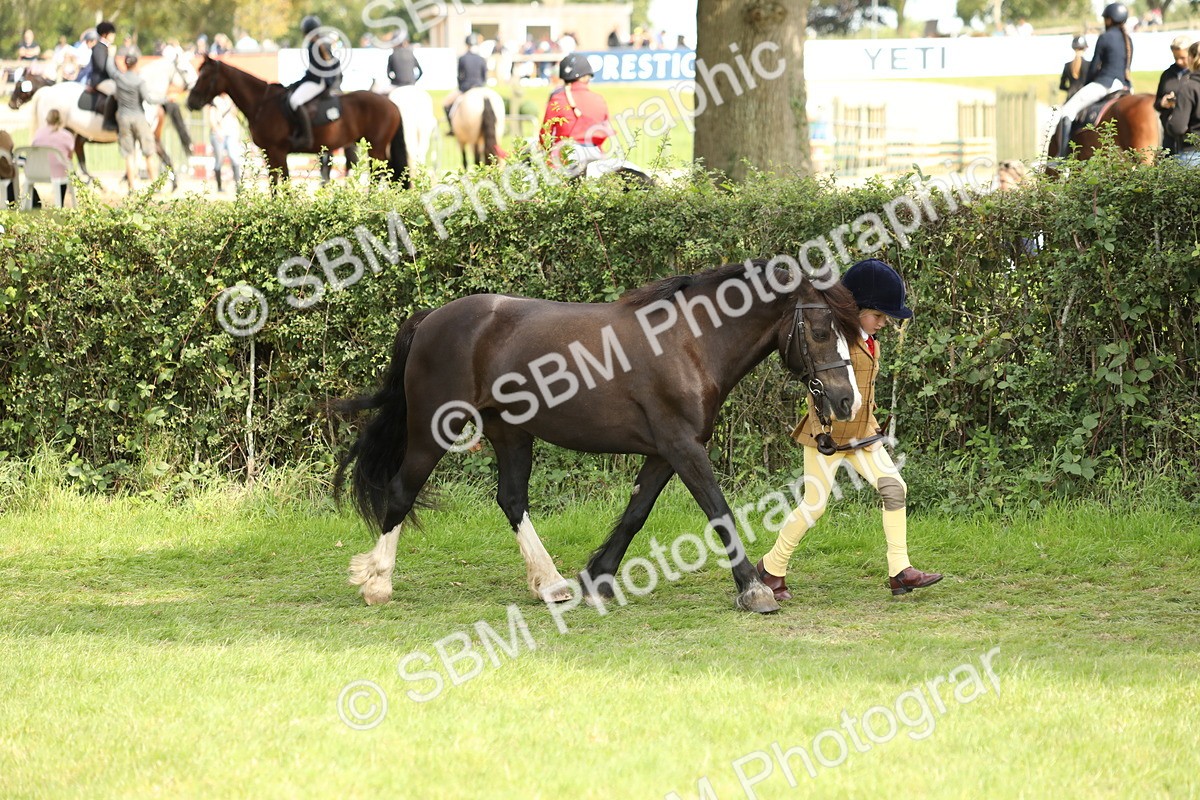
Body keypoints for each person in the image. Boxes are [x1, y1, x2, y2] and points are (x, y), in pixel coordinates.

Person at [757, 259, 943, 601]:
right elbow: (816, 390)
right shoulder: (833, 339)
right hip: (826, 437)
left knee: (894, 488)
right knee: (814, 507)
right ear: (856, 310)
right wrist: (821, 431)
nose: (884, 323)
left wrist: (871, 424)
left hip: (861, 436)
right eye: (879, 315)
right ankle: (771, 568)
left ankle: (900, 571)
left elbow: (864, 392)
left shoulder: (871, 341)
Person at [1051, 3, 1132, 159]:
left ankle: (1061, 158)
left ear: (1109, 19)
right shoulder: (1128, 40)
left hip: (1105, 84)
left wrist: (1087, 83)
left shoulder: (1105, 37)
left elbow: (1094, 67)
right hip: (1124, 86)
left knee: (1067, 111)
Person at [541, 53, 611, 176]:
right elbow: (604, 131)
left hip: (564, 159)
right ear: (586, 77)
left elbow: (545, 135)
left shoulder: (557, 99)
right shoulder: (599, 99)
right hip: (596, 155)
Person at [287, 15, 341, 150]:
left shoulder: (314, 45)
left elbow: (314, 72)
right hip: (320, 80)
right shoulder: (321, 42)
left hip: (318, 82)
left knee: (295, 101)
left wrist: (298, 83)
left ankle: (307, 137)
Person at [113, 54, 164, 191]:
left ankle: (132, 187)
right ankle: (155, 186)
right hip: (138, 117)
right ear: (136, 65)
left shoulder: (119, 80)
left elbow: (116, 96)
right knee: (148, 152)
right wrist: (165, 99)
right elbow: (148, 99)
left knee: (128, 153)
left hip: (123, 117)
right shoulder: (139, 81)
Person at [442, 33, 488, 132]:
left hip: (466, 88)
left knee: (446, 104)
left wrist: (461, 86)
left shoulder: (462, 58)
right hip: (480, 87)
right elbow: (484, 77)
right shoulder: (482, 59)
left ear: (467, 44)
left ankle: (452, 128)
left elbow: (459, 76)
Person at [30, 109, 76, 206]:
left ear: (47, 119)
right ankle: (60, 203)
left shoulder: (38, 133)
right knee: (65, 167)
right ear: (60, 120)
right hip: (59, 174)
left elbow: (33, 151)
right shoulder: (66, 135)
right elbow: (70, 156)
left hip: (38, 171)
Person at [1156, 36, 1192, 153]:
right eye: (1175, 57)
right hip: (1169, 136)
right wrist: (1163, 103)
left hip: (1191, 136)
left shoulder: (1196, 75)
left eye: (1182, 57)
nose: (1178, 61)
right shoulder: (1167, 75)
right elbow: (1156, 103)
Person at [1167, 42, 1200, 165]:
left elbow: (1178, 127)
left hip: (1192, 154)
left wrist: (1170, 120)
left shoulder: (1189, 88)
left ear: (1191, 58)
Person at [207, 93, 244, 193]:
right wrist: (217, 131)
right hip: (218, 134)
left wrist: (232, 103)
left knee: (234, 158)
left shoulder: (231, 99)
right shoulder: (215, 100)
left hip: (231, 133)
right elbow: (212, 117)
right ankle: (219, 187)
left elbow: (235, 113)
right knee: (219, 161)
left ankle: (238, 186)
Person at [87, 21, 120, 130]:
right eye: (112, 33)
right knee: (115, 92)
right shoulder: (98, 47)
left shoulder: (107, 47)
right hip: (100, 80)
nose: (114, 36)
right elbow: (101, 67)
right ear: (105, 34)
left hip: (107, 79)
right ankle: (108, 121)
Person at [1060, 36, 1090, 100]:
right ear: (1085, 48)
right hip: (1084, 97)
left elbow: (1061, 86)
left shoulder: (1067, 65)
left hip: (1070, 97)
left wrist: (1070, 89)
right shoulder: (1089, 65)